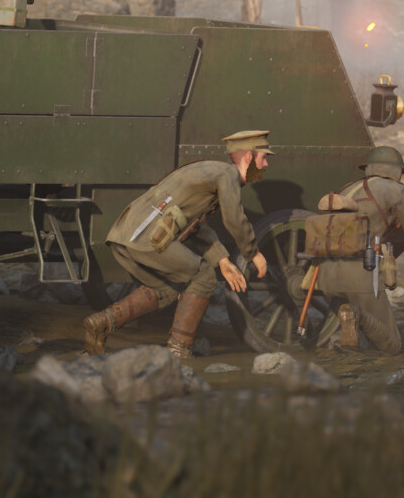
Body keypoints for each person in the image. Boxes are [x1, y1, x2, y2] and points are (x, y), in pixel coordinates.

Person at [85, 130, 273, 358]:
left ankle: (101, 323)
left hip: (125, 237)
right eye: (264, 158)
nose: (266, 165)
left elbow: (195, 226)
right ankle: (179, 348)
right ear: (248, 157)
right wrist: (253, 253)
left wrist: (222, 260)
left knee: (166, 289)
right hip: (147, 237)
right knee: (204, 276)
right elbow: (234, 219)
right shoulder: (227, 174)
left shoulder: (211, 171)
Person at [307, 145, 404, 354]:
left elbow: (372, 216)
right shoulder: (397, 191)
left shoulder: (347, 188)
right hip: (362, 273)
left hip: (326, 276)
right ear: (397, 171)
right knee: (392, 345)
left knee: (356, 342)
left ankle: (351, 333)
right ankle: (358, 315)